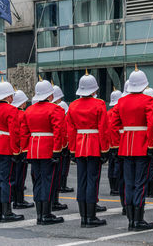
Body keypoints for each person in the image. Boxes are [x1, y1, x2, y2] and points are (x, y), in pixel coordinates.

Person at [112, 65, 153, 232]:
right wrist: (152, 144)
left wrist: (119, 141)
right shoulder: (147, 100)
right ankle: (138, 219)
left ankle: (131, 220)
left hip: (126, 146)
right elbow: (152, 125)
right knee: (140, 183)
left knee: (129, 183)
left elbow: (114, 124)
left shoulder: (122, 101)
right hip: (141, 145)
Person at [67, 71, 109, 228]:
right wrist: (105, 149)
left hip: (79, 145)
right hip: (93, 144)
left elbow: (70, 130)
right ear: (93, 90)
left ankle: (83, 216)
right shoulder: (99, 104)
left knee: (82, 181)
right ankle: (91, 216)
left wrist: (72, 149)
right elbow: (103, 129)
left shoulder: (73, 105)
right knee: (93, 181)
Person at [22, 78, 64, 225]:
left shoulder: (29, 110)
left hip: (33, 149)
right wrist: (57, 150)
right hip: (47, 148)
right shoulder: (55, 109)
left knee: (37, 181)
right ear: (50, 95)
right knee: (48, 181)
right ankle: (46, 214)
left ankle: (40, 214)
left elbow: (24, 132)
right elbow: (59, 131)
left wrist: (26, 149)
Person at [0, 79, 24, 222]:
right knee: (6, 180)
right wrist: (16, 150)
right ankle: (7, 212)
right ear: (8, 96)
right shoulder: (12, 110)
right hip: (6, 146)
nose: (13, 98)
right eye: (11, 95)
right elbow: (14, 132)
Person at [11, 89, 34, 209]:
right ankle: (19, 200)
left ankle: (15, 199)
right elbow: (24, 134)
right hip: (20, 149)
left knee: (13, 175)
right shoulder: (22, 115)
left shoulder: (11, 113)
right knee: (20, 176)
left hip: (10, 149)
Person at [50, 84, 68, 211]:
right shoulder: (57, 109)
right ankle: (51, 205)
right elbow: (60, 129)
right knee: (53, 177)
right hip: (53, 145)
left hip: (36, 149)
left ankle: (43, 210)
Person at [107, 87, 125, 214]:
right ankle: (116, 188)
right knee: (119, 168)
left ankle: (114, 187)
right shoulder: (120, 110)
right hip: (121, 142)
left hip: (111, 143)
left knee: (112, 166)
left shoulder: (109, 112)